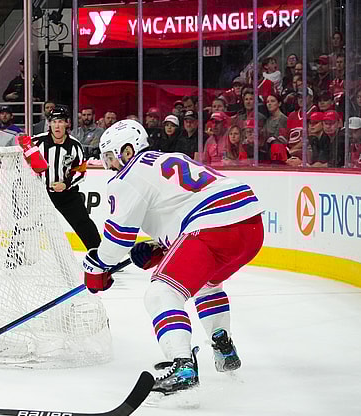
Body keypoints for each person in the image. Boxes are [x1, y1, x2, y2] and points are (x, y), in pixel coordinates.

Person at [83, 119, 263, 397]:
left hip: (211, 226)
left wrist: (96, 266)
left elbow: (117, 241)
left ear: (127, 151)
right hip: (250, 226)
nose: (108, 165)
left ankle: (183, 365)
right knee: (207, 283)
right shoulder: (170, 158)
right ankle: (222, 345)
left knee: (160, 294)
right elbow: (182, 205)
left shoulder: (128, 176)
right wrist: (160, 246)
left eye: (110, 156)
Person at [31, 105, 100, 250]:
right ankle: (16, 253)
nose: (57, 125)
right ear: (49, 123)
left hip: (66, 195)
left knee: (83, 223)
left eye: (60, 121)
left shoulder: (75, 145)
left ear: (67, 123)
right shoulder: (37, 142)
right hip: (39, 194)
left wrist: (65, 184)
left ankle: (99, 256)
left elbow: (80, 171)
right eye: (54, 121)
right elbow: (23, 163)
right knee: (25, 221)